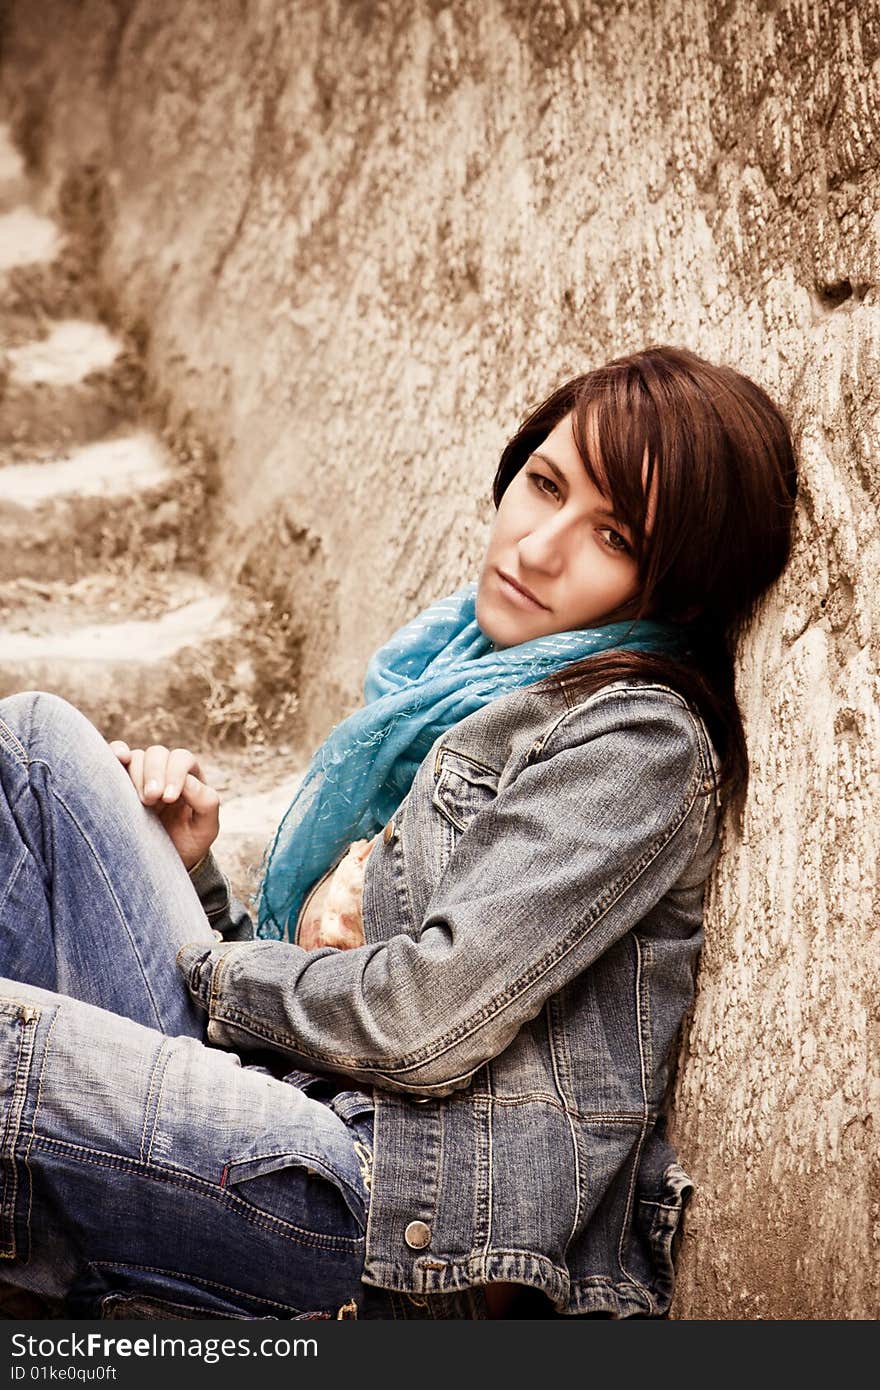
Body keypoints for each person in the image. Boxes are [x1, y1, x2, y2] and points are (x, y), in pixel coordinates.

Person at [0, 345, 797, 1320]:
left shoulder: (637, 736)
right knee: (36, 748)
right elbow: (331, 984)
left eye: (613, 536)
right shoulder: (460, 686)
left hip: (395, 1224)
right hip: (294, 1098)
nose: (539, 546)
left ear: (676, 586)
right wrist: (198, 875)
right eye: (542, 484)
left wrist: (196, 970)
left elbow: (417, 1019)